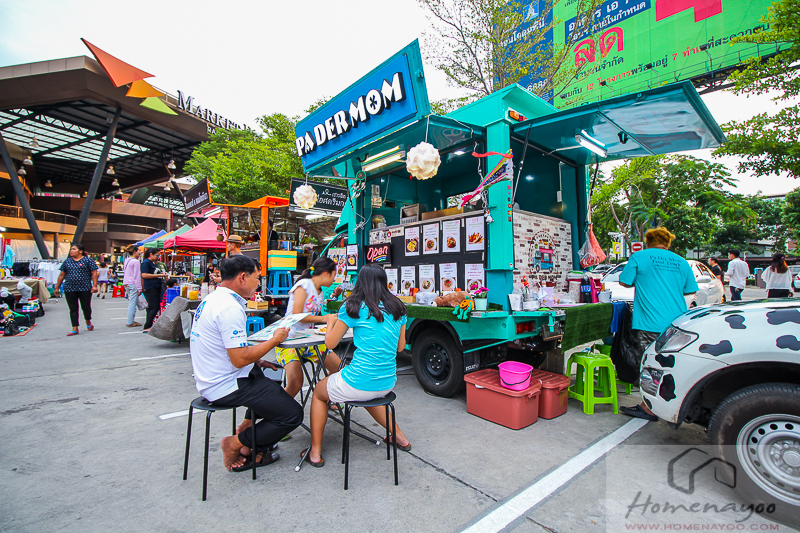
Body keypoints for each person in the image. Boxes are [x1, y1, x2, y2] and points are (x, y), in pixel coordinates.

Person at [190, 255, 302, 471]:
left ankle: (247, 431)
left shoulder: (213, 299)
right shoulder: (229, 308)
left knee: (273, 375)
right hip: (224, 384)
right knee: (292, 415)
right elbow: (240, 358)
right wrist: (274, 340)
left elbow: (224, 349)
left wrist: (257, 360)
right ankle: (235, 443)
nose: (258, 283)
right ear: (242, 277)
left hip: (216, 375)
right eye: (257, 278)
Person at [304, 264, 411, 467]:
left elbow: (330, 344)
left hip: (360, 382)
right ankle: (400, 438)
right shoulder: (398, 307)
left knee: (318, 391)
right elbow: (400, 347)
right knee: (367, 393)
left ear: (360, 282)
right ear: (384, 281)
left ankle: (315, 453)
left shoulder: (353, 306)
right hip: (387, 382)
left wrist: (330, 323)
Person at [617, 228, 698, 421]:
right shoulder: (681, 261)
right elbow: (690, 290)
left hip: (649, 322)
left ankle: (649, 408)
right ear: (667, 243)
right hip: (677, 323)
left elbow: (624, 282)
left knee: (650, 364)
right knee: (671, 364)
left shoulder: (640, 257)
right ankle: (669, 403)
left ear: (648, 241)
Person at [276, 257, 343, 401]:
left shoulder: (320, 292)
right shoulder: (304, 285)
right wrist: (323, 319)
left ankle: (325, 398)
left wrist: (334, 297)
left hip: (310, 340)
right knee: (295, 383)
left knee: (338, 369)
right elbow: (296, 315)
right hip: (289, 340)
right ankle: (275, 410)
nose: (334, 279)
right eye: (334, 275)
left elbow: (316, 308)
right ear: (326, 273)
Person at [54, 243, 99, 336]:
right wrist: (57, 287)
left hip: (85, 288)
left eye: (74, 249)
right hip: (69, 288)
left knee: (86, 307)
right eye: (71, 249)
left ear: (80, 251)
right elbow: (62, 275)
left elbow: (94, 273)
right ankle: (75, 327)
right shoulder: (67, 261)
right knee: (73, 308)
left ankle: (88, 321)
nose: (71, 251)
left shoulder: (88, 260)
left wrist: (95, 285)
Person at [141, 249, 169, 333]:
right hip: (150, 287)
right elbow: (144, 275)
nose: (158, 257)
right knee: (154, 307)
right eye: (157, 255)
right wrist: (158, 275)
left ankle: (149, 324)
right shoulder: (146, 263)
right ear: (151, 254)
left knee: (151, 307)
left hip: (156, 286)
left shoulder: (154, 263)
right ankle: (147, 325)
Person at [123, 245, 143, 328]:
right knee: (132, 303)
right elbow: (136, 275)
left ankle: (131, 320)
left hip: (126, 283)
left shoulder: (127, 260)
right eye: (139, 250)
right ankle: (130, 321)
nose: (140, 252)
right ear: (135, 251)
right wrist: (139, 287)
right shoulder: (135, 262)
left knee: (132, 302)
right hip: (133, 284)